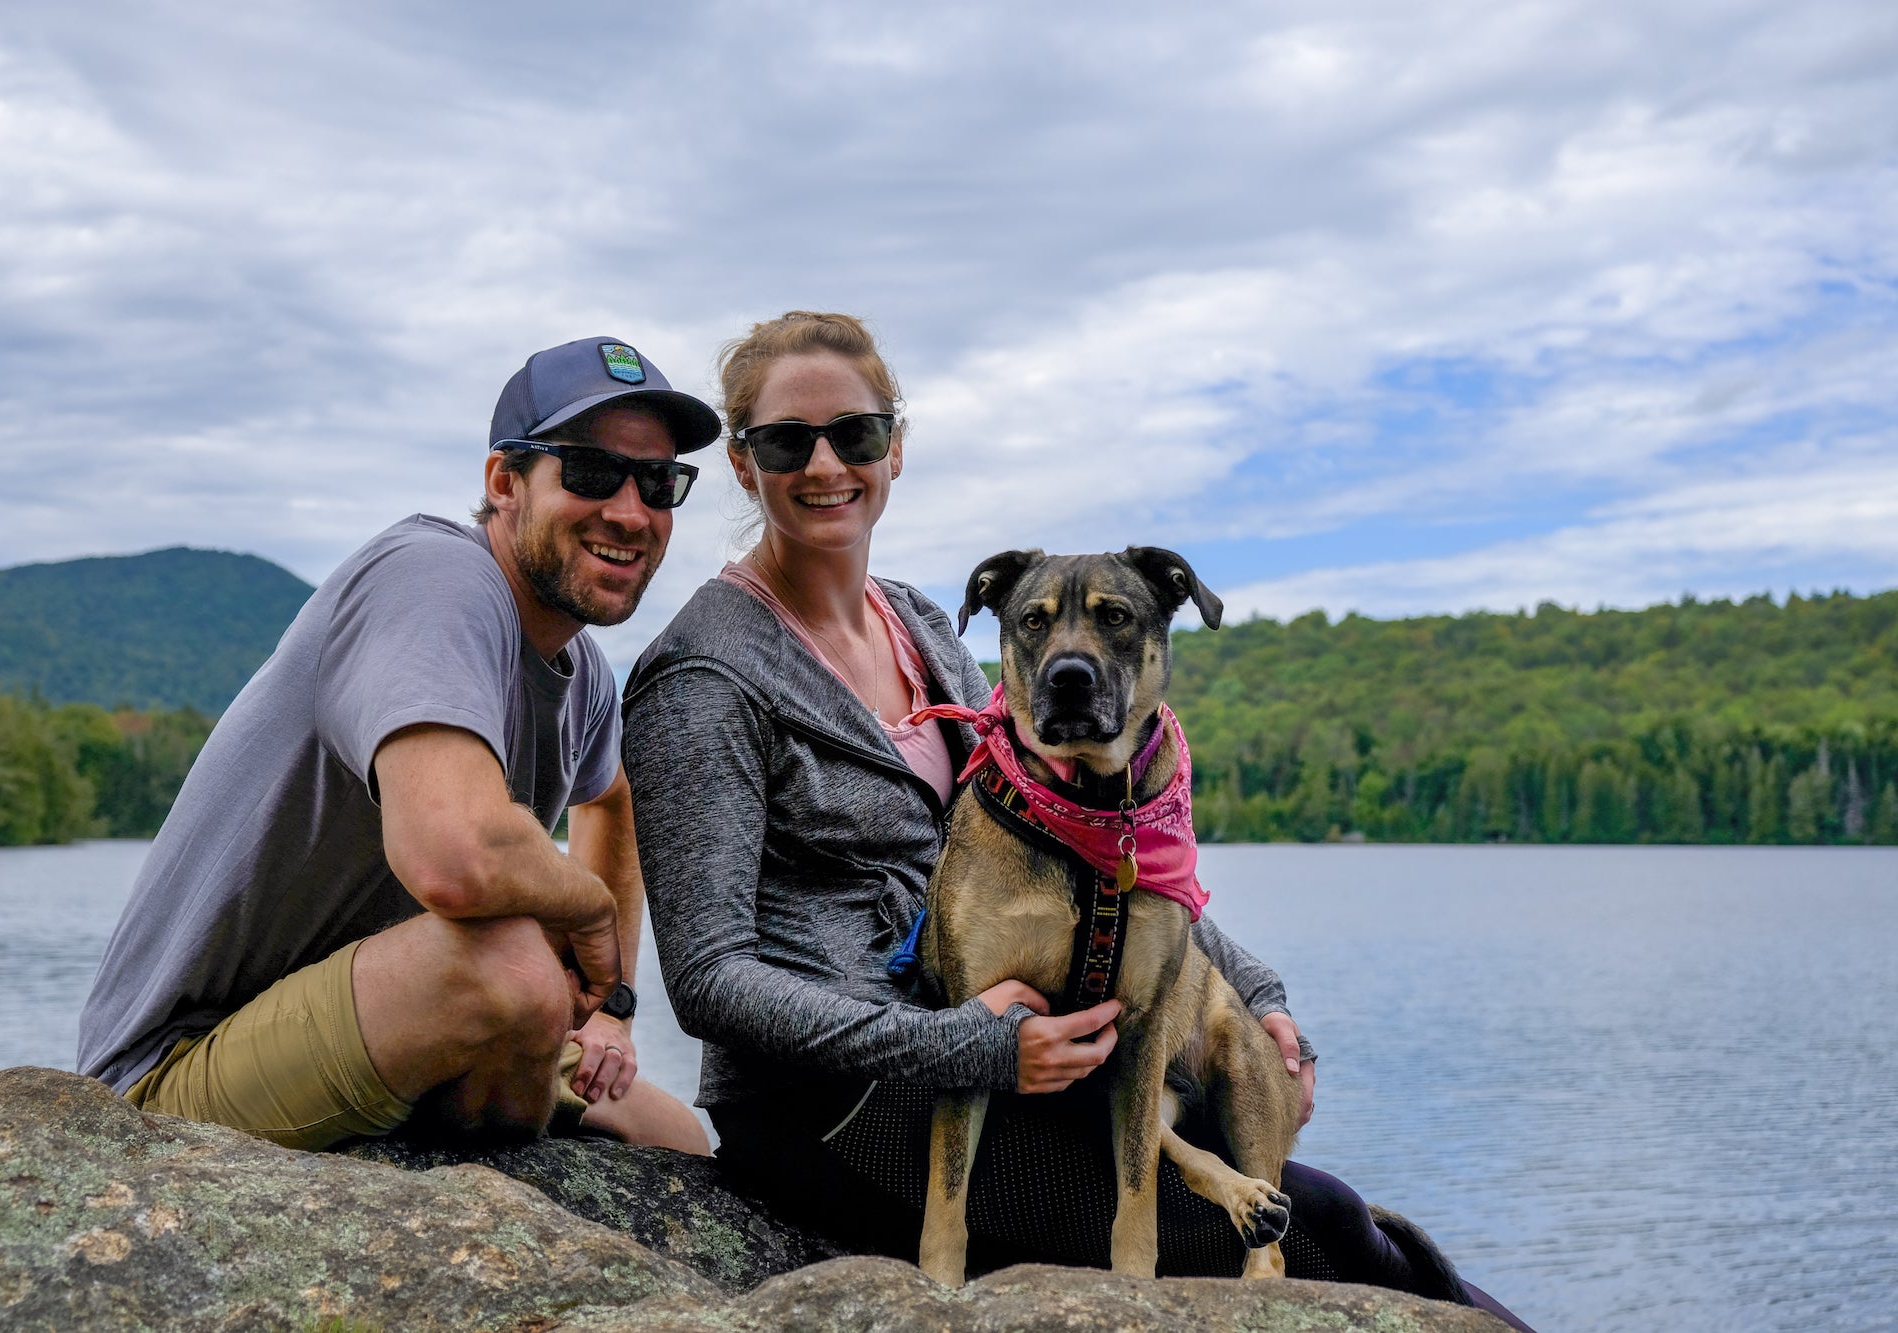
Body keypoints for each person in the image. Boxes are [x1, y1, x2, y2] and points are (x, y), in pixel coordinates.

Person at [621, 312, 1533, 1327]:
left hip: (995, 1068)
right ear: (745, 465)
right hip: (837, 1110)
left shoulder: (919, 624)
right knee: (1312, 1219)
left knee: (1304, 1194)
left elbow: (1090, 847)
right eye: (788, 440)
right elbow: (706, 978)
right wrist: (964, 1049)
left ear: (895, 449)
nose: (825, 463)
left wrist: (1259, 993)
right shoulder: (702, 674)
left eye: (857, 434)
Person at [78, 336, 713, 1155]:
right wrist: (584, 908)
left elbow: (612, 796)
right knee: (514, 969)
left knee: (678, 1136)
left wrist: (613, 1014)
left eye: (659, 482)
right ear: (504, 482)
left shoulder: (582, 669)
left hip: (382, 1021)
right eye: (590, 472)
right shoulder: (434, 579)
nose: (631, 510)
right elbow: (453, 852)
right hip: (170, 1077)